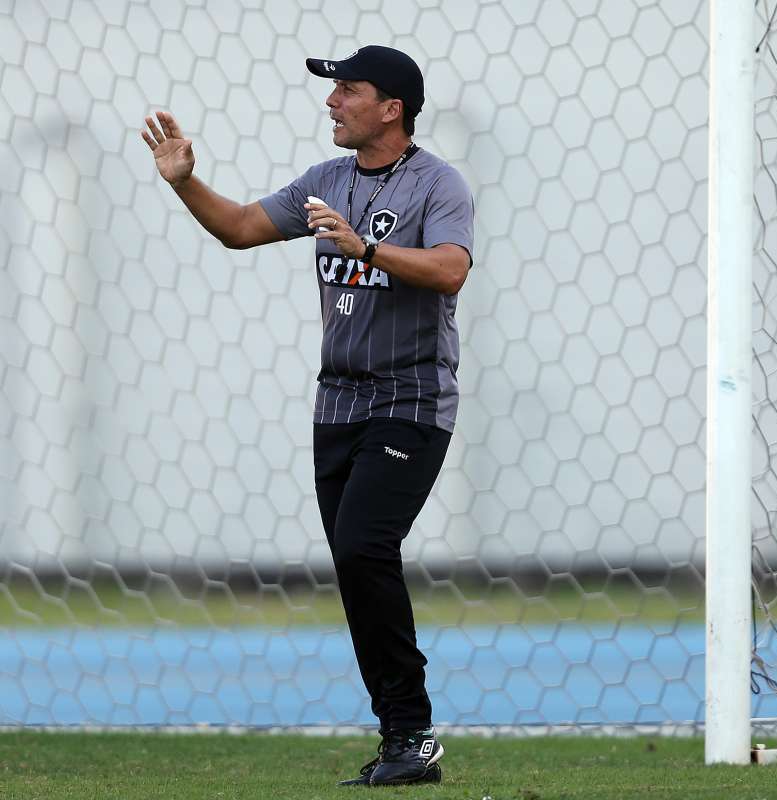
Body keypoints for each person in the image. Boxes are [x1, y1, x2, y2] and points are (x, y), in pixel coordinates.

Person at [140, 45, 474, 787]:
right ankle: (403, 741)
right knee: (356, 566)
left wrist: (368, 247)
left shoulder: (438, 184)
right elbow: (238, 228)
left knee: (362, 547)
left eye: (348, 90)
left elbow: (451, 269)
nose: (332, 101)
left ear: (391, 109)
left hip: (411, 402)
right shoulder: (326, 180)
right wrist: (185, 181)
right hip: (338, 406)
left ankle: (413, 731)